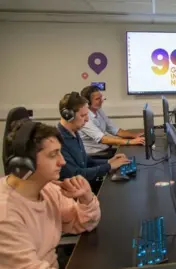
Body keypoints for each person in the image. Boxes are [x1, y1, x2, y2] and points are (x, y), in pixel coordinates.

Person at [0, 120, 101, 268]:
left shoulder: (48, 189)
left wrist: (86, 197)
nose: (62, 162)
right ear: (25, 163)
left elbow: (84, 223)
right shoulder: (6, 214)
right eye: (53, 155)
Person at [57, 92, 130, 186]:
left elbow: (87, 161)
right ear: (68, 115)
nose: (87, 119)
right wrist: (109, 167)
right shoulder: (58, 141)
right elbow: (75, 174)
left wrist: (109, 161)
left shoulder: (74, 131)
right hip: (75, 190)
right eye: (83, 116)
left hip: (85, 184)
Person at [79, 85, 144, 156]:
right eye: (98, 99)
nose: (102, 100)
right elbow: (102, 139)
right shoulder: (85, 118)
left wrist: (134, 135)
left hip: (105, 149)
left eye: (101, 97)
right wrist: (130, 141)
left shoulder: (98, 110)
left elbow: (114, 129)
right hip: (96, 155)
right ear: (88, 102)